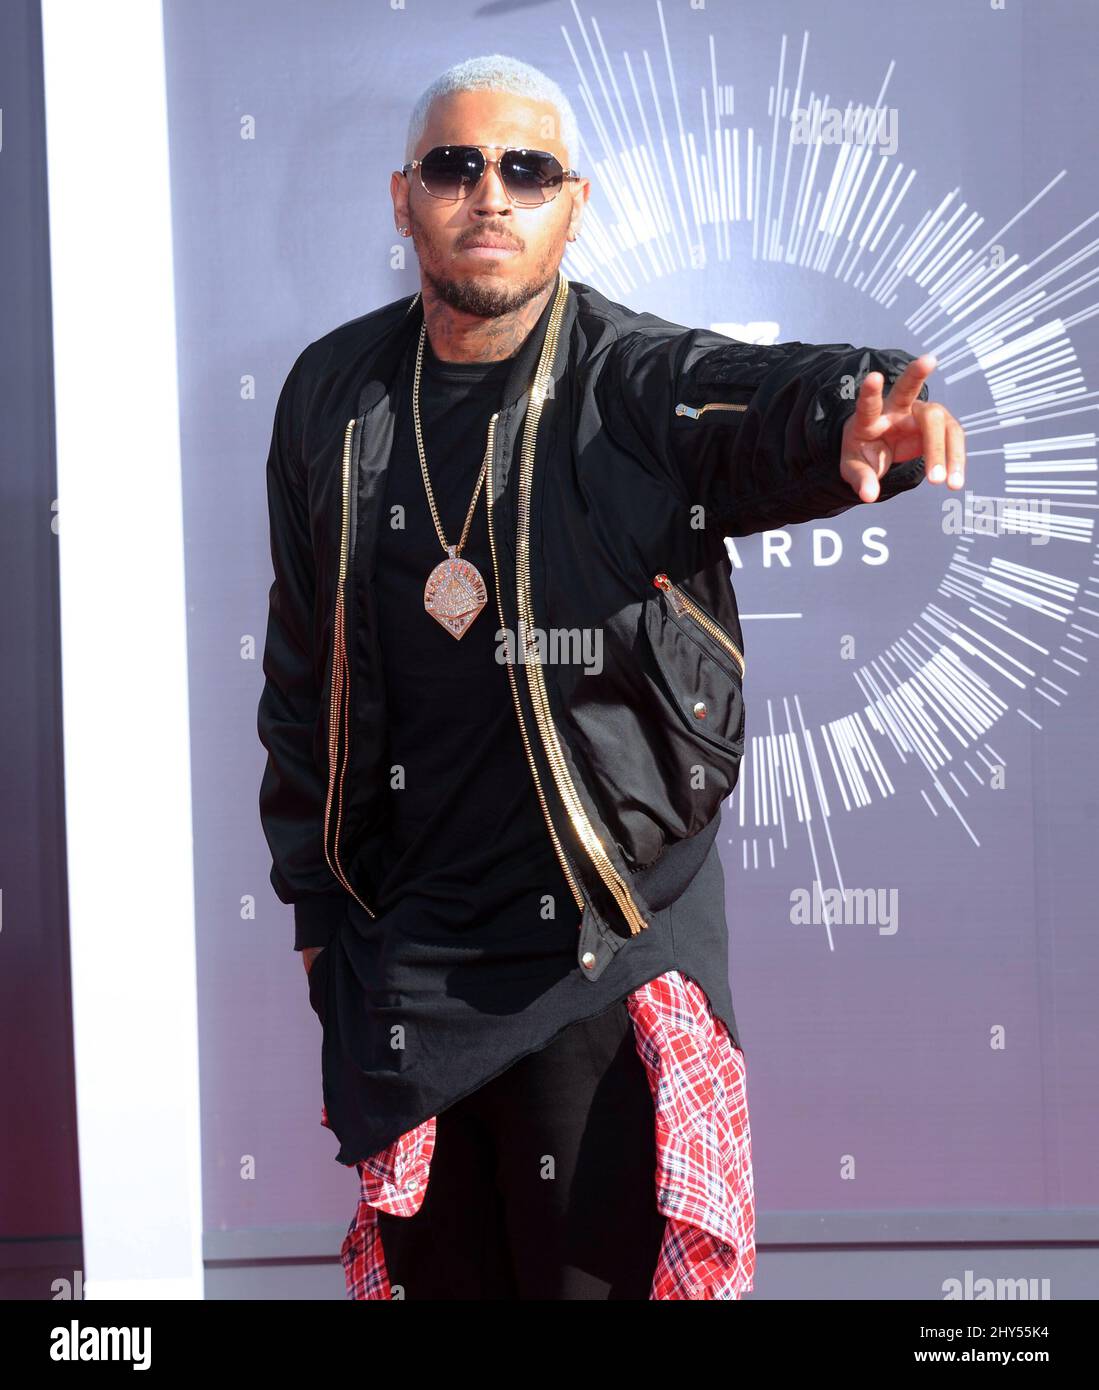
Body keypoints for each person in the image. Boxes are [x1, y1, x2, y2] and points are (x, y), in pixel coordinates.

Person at [256, 52, 966, 1301]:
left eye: (526, 169)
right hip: (408, 970)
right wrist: (320, 919)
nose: (491, 194)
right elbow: (302, 669)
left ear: (572, 204)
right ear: (403, 196)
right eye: (455, 166)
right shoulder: (335, 395)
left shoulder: (626, 382)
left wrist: (854, 418)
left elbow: (752, 401)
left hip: (603, 954)